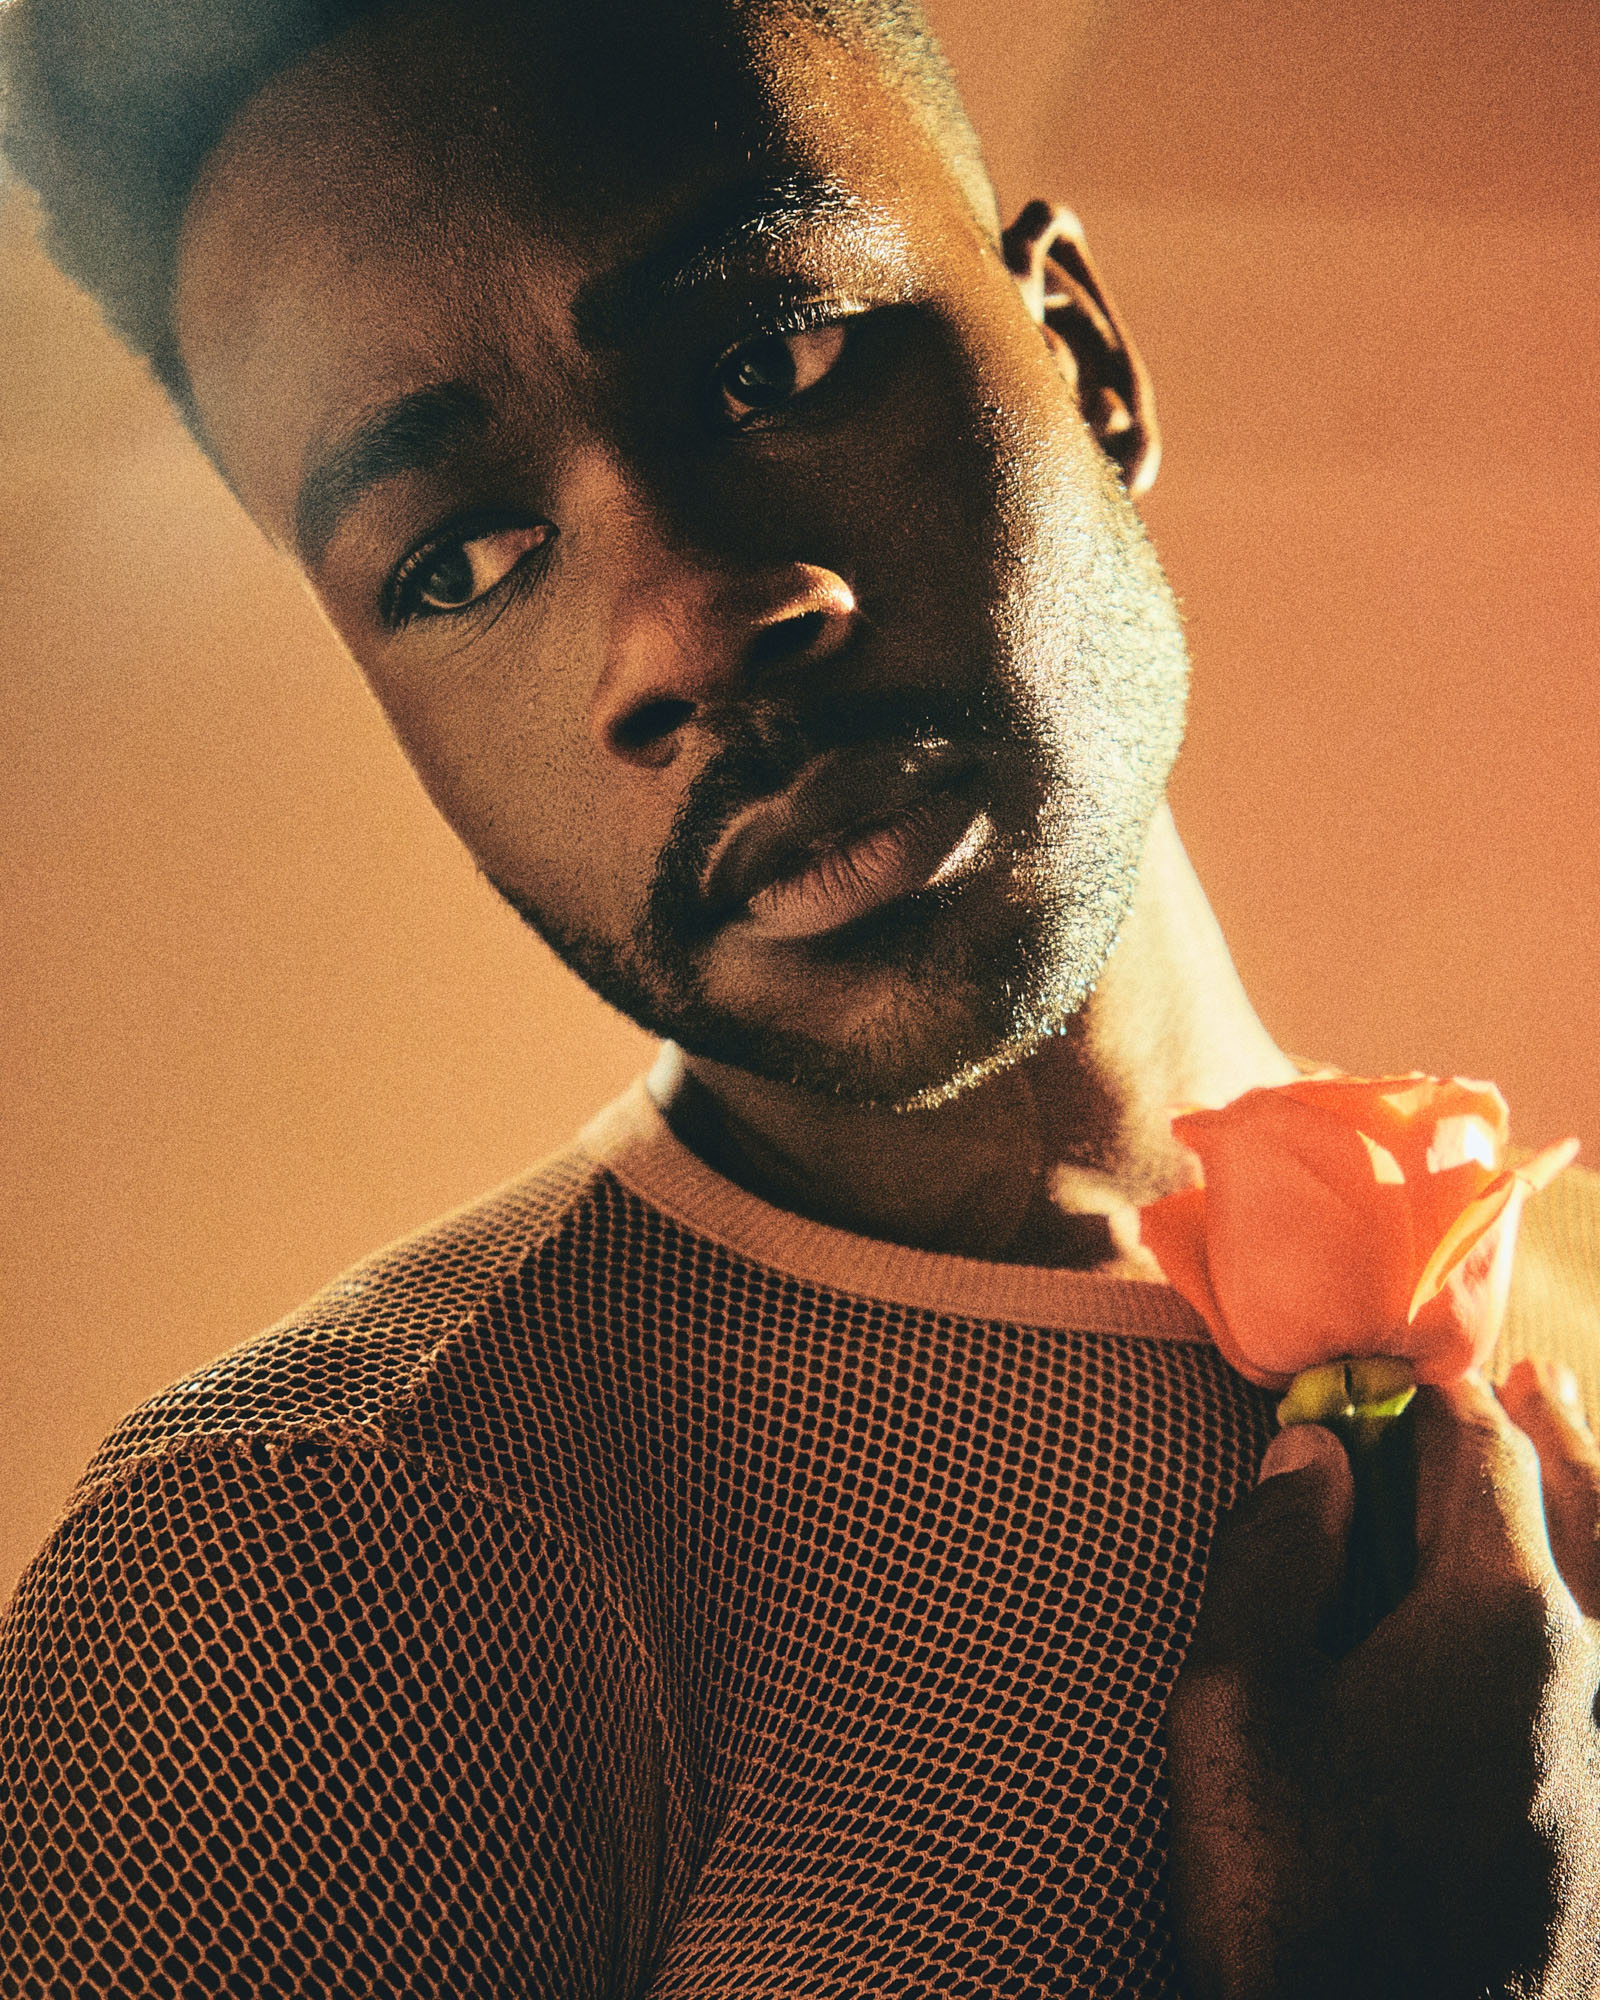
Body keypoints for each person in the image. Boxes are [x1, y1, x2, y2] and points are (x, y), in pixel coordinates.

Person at [1, 1, 1598, 1992]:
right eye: (459, 561)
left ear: (1082, 361)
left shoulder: (1564, 1294)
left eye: (771, 361)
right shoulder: (302, 1589)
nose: (686, 622)